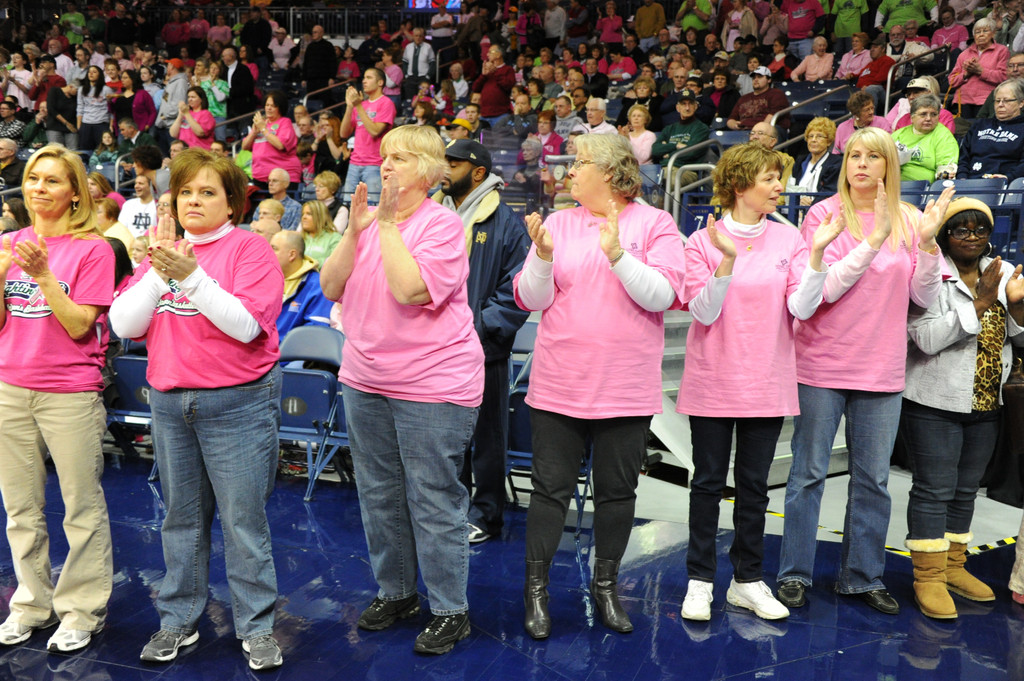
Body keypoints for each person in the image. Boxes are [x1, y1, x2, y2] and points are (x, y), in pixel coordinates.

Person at [109, 148, 284, 670]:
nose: (194, 200)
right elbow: (124, 325)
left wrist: (189, 275)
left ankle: (257, 628)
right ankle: (177, 622)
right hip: (169, 402)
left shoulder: (251, 250)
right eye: (185, 191)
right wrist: (164, 272)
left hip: (238, 404)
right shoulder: (161, 255)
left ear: (231, 203)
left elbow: (246, 326)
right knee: (180, 519)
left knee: (242, 522)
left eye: (208, 191)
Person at [318, 126, 484, 655]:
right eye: (384, 156)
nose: (386, 165)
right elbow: (330, 286)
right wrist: (354, 231)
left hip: (433, 384)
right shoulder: (367, 223)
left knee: (433, 497)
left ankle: (450, 609)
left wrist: (385, 227)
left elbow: (411, 290)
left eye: (401, 158)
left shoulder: (441, 226)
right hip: (366, 378)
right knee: (379, 494)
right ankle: (397, 592)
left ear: (431, 172)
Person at [513, 134, 686, 639]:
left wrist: (617, 256)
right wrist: (542, 256)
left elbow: (663, 296)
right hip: (559, 384)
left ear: (609, 172)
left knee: (617, 492)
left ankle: (606, 587)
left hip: (624, 388)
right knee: (549, 492)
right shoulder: (559, 224)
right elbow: (528, 297)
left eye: (579, 163)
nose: (569, 172)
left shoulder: (654, 223)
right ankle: (537, 593)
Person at [776, 127, 954, 616]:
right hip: (822, 364)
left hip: (881, 369)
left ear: (888, 167)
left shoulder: (910, 219)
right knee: (808, 474)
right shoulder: (823, 215)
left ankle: (861, 577)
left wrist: (930, 246)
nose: (861, 164)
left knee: (873, 480)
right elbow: (824, 290)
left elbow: (925, 298)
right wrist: (873, 242)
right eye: (854, 155)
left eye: (873, 157)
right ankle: (794, 572)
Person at [678, 141, 838, 622]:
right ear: (739, 183)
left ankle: (747, 580)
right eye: (769, 178)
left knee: (754, 488)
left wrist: (815, 257)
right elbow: (703, 310)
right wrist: (726, 261)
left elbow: (802, 308)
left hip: (766, 383)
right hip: (712, 381)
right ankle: (700, 580)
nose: (779, 187)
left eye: (779, 177)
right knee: (707, 484)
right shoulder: (701, 241)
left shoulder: (789, 240)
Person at [0, 144, 114, 654]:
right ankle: (31, 603)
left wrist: (44, 274)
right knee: (21, 508)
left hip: (68, 392)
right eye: (32, 179)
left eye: (51, 181)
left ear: (73, 194)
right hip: (8, 387)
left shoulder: (93, 249)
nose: (38, 188)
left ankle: (81, 611)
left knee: (80, 507)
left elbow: (78, 324)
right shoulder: (8, 243)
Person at [903, 198, 1024, 619]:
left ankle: (954, 566)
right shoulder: (929, 276)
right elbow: (925, 338)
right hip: (935, 399)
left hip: (987, 399)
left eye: (980, 230)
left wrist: (1018, 307)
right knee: (934, 489)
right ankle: (929, 576)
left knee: (965, 489)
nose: (972, 237)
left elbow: (1014, 335)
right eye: (961, 230)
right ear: (944, 235)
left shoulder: (1004, 271)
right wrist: (981, 302)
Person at [435, 140, 529, 544]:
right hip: (435, 349)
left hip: (482, 347)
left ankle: (486, 514)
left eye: (452, 163)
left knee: (487, 438)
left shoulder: (506, 222)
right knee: (445, 437)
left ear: (477, 172)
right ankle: (451, 509)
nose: (444, 170)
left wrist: (479, 328)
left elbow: (518, 289)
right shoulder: (435, 213)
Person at [341, 69, 395, 207]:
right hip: (354, 163)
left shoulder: (386, 103)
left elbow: (375, 131)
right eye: (364, 77)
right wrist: (349, 106)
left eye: (369, 78)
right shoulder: (361, 105)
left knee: (372, 206)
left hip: (374, 164)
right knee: (348, 206)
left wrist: (358, 106)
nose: (364, 81)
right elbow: (344, 133)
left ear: (380, 82)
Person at [269, 230, 334, 338]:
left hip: (290, 352)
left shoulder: (317, 286)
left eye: (274, 249)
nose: (268, 253)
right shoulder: (267, 279)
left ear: (292, 255)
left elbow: (315, 332)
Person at [957, 80, 1024, 179]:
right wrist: (962, 177)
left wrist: (1008, 178)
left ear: (1021, 103)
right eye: (997, 101)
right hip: (970, 181)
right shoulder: (979, 125)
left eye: (1006, 100)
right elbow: (964, 158)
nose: (1000, 104)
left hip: (1005, 185)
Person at [948, 19, 1008, 119]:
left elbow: (1004, 77)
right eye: (977, 32)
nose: (981, 34)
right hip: (963, 101)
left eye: (985, 31)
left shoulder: (1001, 51)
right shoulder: (964, 54)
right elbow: (952, 81)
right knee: (965, 132)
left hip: (987, 101)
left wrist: (981, 71)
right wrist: (966, 74)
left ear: (993, 33)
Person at [892, 94, 958, 182]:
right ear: (912, 117)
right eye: (923, 114)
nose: (928, 118)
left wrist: (943, 176)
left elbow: (946, 167)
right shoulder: (899, 134)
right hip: (894, 185)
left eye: (933, 114)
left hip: (926, 189)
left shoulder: (944, 135)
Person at [242, 91, 301, 187]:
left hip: (283, 177)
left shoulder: (285, 122)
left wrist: (263, 129)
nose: (269, 108)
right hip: (260, 176)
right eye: (267, 105)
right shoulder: (260, 124)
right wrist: (254, 133)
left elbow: (280, 145)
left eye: (273, 106)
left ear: (280, 108)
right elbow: (245, 146)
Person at [791, 116, 841, 205]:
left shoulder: (836, 163)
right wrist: (798, 201)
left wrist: (812, 204)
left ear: (829, 141)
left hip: (823, 212)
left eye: (819, 136)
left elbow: (830, 193)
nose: (813, 140)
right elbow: (792, 188)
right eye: (810, 136)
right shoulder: (800, 162)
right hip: (797, 213)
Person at [726, 66, 790, 132]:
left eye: (760, 77)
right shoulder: (743, 98)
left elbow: (774, 115)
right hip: (743, 131)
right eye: (754, 77)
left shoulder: (776, 94)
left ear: (769, 80)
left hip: (767, 131)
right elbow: (731, 118)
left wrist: (759, 131)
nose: (756, 79)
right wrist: (734, 125)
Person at [886, 75, 956, 134]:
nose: (911, 97)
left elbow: (945, 140)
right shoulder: (904, 118)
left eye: (916, 92)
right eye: (908, 94)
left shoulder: (944, 115)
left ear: (929, 93)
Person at [170, 86, 214, 151]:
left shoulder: (206, 114)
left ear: (201, 99)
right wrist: (180, 115)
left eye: (193, 97)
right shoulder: (186, 113)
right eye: (188, 97)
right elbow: (173, 134)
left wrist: (186, 113)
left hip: (199, 152)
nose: (190, 99)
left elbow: (200, 132)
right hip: (184, 153)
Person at [112, 70, 156, 135]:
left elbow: (152, 112)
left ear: (132, 79)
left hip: (138, 130)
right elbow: (112, 110)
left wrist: (148, 125)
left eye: (125, 78)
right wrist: (109, 101)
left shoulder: (143, 94)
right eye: (122, 78)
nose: (122, 80)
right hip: (122, 131)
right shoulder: (118, 93)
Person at [298, 200, 340, 267]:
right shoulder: (298, 238)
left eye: (309, 214)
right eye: (303, 214)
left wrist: (309, 264)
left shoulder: (335, 238)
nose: (304, 217)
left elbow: (336, 262)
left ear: (320, 216)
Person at [118, 173, 157, 238]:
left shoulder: (157, 205)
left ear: (150, 186)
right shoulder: (128, 205)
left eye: (141, 183)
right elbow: (122, 229)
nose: (136, 186)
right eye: (136, 183)